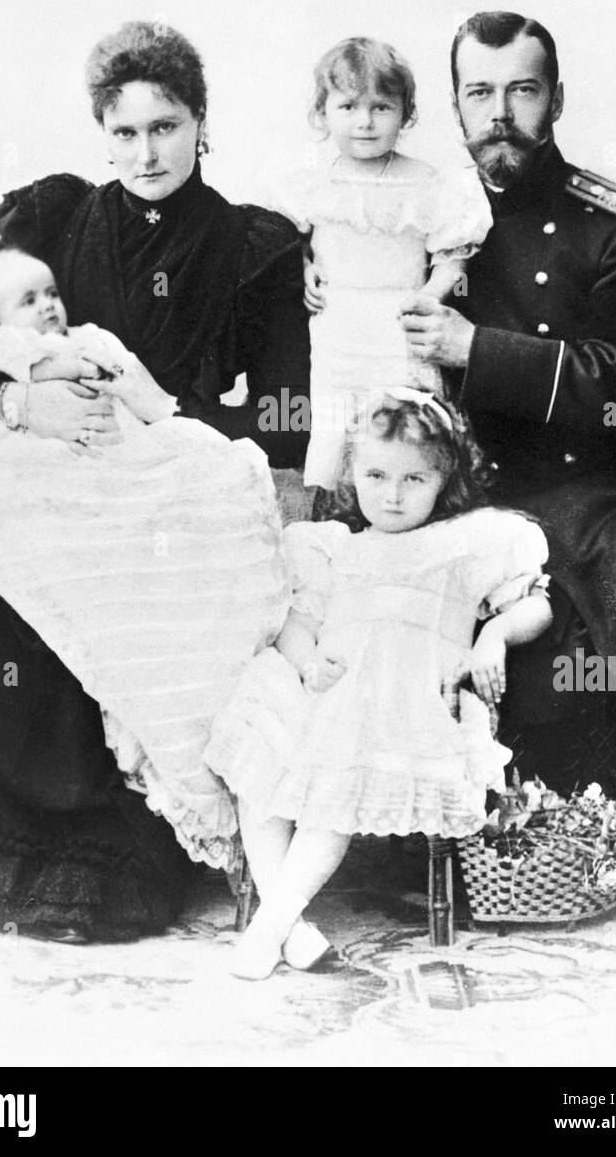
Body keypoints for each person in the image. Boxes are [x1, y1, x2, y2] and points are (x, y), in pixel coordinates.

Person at [0, 20, 309, 942]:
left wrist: (165, 416)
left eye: (166, 127)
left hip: (169, 481)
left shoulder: (255, 249)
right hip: (38, 463)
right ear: (101, 134)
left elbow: (288, 417)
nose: (146, 152)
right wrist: (17, 408)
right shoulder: (50, 222)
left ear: (202, 123)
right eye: (124, 132)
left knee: (121, 586)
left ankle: (93, 858)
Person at [397, 10, 616, 900]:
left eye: (522, 89)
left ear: (556, 99)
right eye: (480, 92)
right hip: (494, 504)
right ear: (455, 106)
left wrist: (480, 351)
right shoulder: (419, 222)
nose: (500, 113)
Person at [0, 247, 288, 872]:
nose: (47, 307)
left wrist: (123, 382)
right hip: (59, 474)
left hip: (125, 456)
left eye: (50, 293)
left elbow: (149, 401)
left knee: (213, 473)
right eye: (27, 302)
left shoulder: (94, 339)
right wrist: (30, 397)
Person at [206, 390, 552, 977]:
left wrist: (493, 637)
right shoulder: (330, 547)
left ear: (445, 479)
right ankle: (287, 929)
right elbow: (298, 622)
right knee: (263, 721)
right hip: (328, 686)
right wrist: (310, 663)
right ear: (350, 472)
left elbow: (536, 604)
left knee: (341, 760)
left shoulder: (469, 543)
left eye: (414, 478)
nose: (391, 495)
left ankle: (271, 926)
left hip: (403, 702)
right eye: (375, 474)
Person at [271, 36, 490, 490]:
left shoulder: (425, 183)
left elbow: (454, 256)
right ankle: (327, 520)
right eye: (349, 107)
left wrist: (428, 297)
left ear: (405, 113)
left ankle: (406, 515)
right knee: (332, 428)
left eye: (382, 108)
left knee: (402, 429)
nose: (365, 122)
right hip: (337, 330)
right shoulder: (315, 182)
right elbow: (293, 241)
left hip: (398, 330)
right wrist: (304, 263)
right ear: (323, 111)